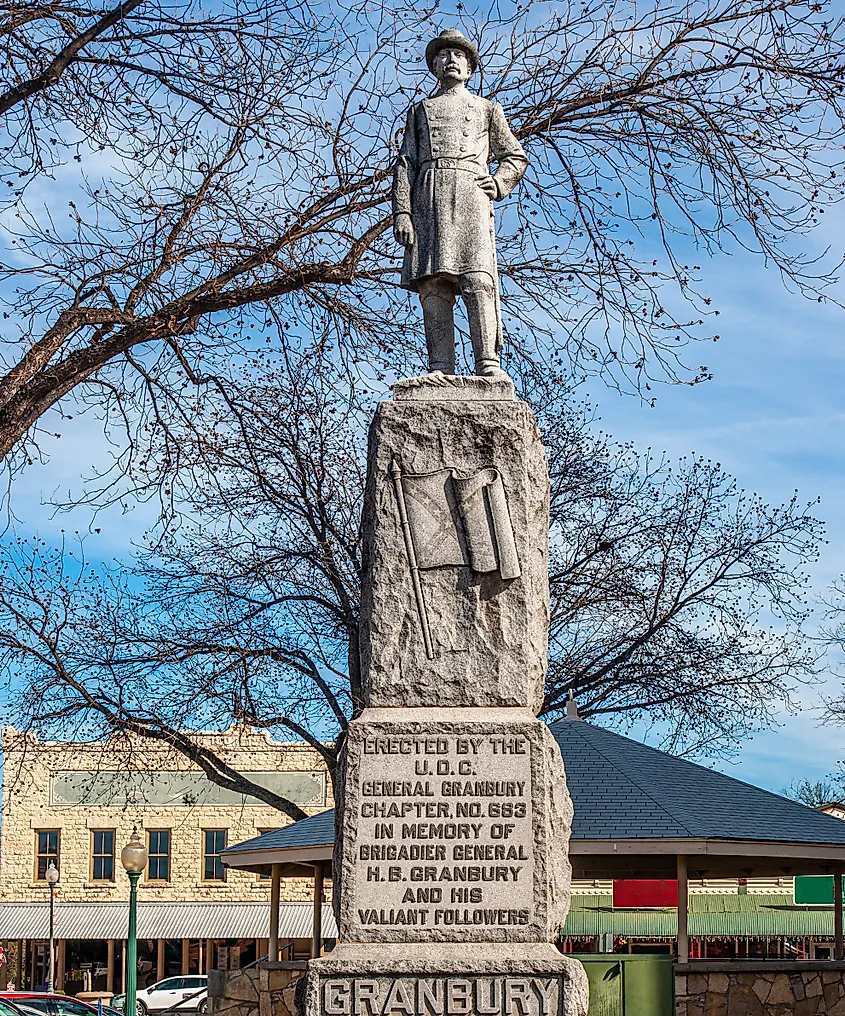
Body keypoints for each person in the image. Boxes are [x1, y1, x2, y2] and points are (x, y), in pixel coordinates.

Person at [392, 29, 528, 379]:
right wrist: (403, 212)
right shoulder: (421, 111)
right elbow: (406, 162)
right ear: (434, 65)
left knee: (478, 279)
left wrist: (498, 183)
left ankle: (488, 365)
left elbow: (514, 155)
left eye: (458, 56)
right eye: (443, 55)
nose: (450, 60)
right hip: (429, 197)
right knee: (433, 283)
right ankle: (440, 367)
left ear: (469, 68)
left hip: (471, 193)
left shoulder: (486, 109)